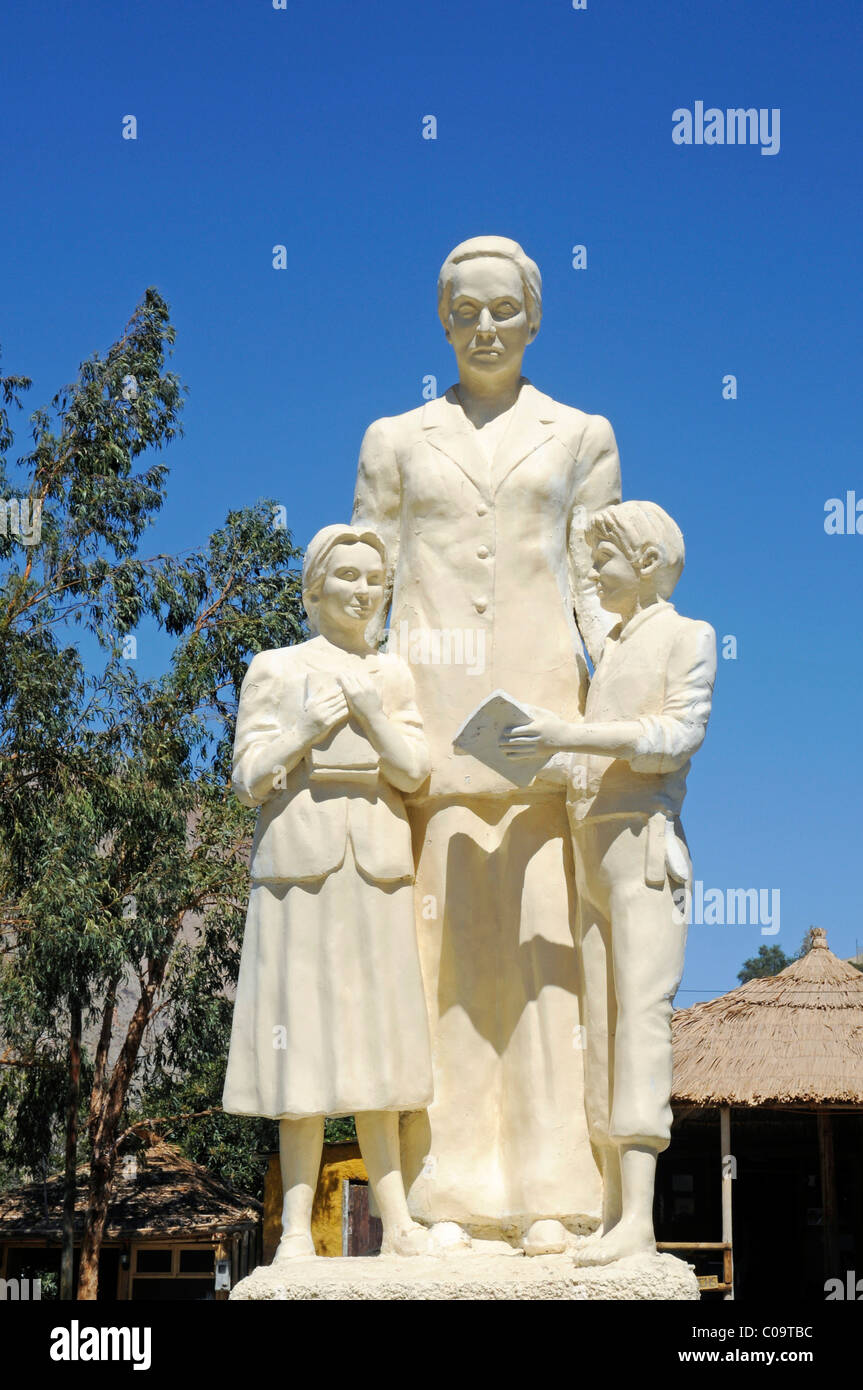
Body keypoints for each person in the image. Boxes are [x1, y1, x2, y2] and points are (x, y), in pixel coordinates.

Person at [353, 236, 621, 1250]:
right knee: (441, 963)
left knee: (548, 958)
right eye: (464, 309)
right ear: (441, 318)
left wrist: (622, 701)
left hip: (544, 725)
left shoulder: (581, 435)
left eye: (502, 308)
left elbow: (597, 584)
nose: (484, 326)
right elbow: (364, 585)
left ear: (534, 315)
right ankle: (445, 1193)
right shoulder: (395, 438)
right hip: (429, 724)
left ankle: (557, 1191)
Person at [500, 500, 716, 1263]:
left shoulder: (686, 638)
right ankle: (609, 1204)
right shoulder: (616, 650)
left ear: (649, 562)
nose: (593, 574)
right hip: (590, 855)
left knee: (640, 1023)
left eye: (606, 560)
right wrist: (538, 755)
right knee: (599, 1028)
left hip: (642, 851)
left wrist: (570, 732)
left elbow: (672, 739)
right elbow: (591, 759)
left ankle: (639, 1222)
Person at [222, 523, 434, 1259]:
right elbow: (248, 780)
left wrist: (374, 716)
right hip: (299, 863)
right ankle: (291, 1231)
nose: (361, 589)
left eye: (372, 578)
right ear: (314, 586)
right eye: (345, 576)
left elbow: (415, 772)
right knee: (300, 1043)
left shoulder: (395, 675)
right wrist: (301, 733)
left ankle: (397, 1220)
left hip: (375, 860)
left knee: (376, 1040)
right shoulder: (275, 668)